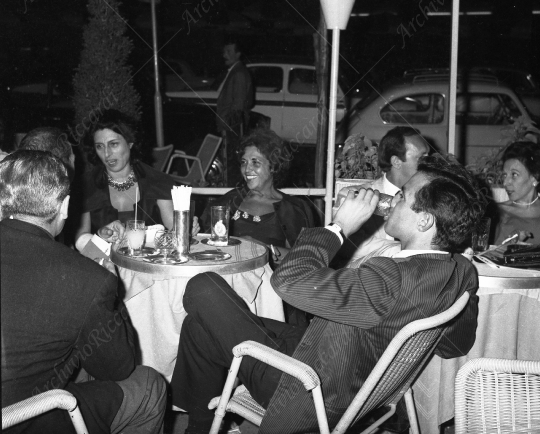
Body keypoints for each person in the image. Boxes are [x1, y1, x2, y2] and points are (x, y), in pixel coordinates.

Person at [170, 155, 485, 434]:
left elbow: (288, 281)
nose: (392, 198)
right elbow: (455, 345)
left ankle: (197, 425)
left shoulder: (389, 279)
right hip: (334, 356)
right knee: (199, 325)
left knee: (203, 287)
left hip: (309, 388)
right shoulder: (459, 270)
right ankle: (199, 426)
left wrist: (338, 227)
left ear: (425, 220)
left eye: (402, 197)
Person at [0, 150, 166, 434]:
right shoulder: (88, 279)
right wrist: (110, 294)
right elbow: (118, 369)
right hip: (23, 418)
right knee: (149, 385)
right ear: (64, 206)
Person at [200, 128, 315, 325]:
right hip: (228, 284)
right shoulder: (229, 201)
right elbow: (207, 243)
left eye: (256, 162)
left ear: (274, 166)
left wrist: (262, 248)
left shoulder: (294, 208)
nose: (247, 169)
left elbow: (306, 259)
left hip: (271, 289)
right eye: (244, 162)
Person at [75, 109, 198, 253]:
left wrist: (188, 227)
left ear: (130, 143)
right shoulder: (85, 186)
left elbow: (176, 231)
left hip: (150, 265)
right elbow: (81, 241)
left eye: (113, 144)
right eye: (99, 146)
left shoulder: (156, 181)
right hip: (103, 266)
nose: (107, 153)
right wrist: (100, 239)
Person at [338, 126, 429, 267]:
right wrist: (414, 249)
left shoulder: (428, 199)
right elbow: (350, 244)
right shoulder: (353, 196)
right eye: (422, 158)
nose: (429, 163)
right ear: (396, 162)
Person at [216, 40, 254, 185]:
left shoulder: (238, 74)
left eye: (229, 52)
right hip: (231, 126)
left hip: (232, 126)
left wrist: (230, 129)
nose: (224, 55)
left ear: (238, 54)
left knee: (232, 162)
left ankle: (231, 190)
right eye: (224, 51)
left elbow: (238, 106)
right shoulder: (234, 71)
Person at [492, 141, 540, 245]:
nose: (505, 182)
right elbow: (484, 255)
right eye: (504, 175)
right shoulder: (496, 212)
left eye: (514, 174)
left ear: (534, 178)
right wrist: (508, 246)